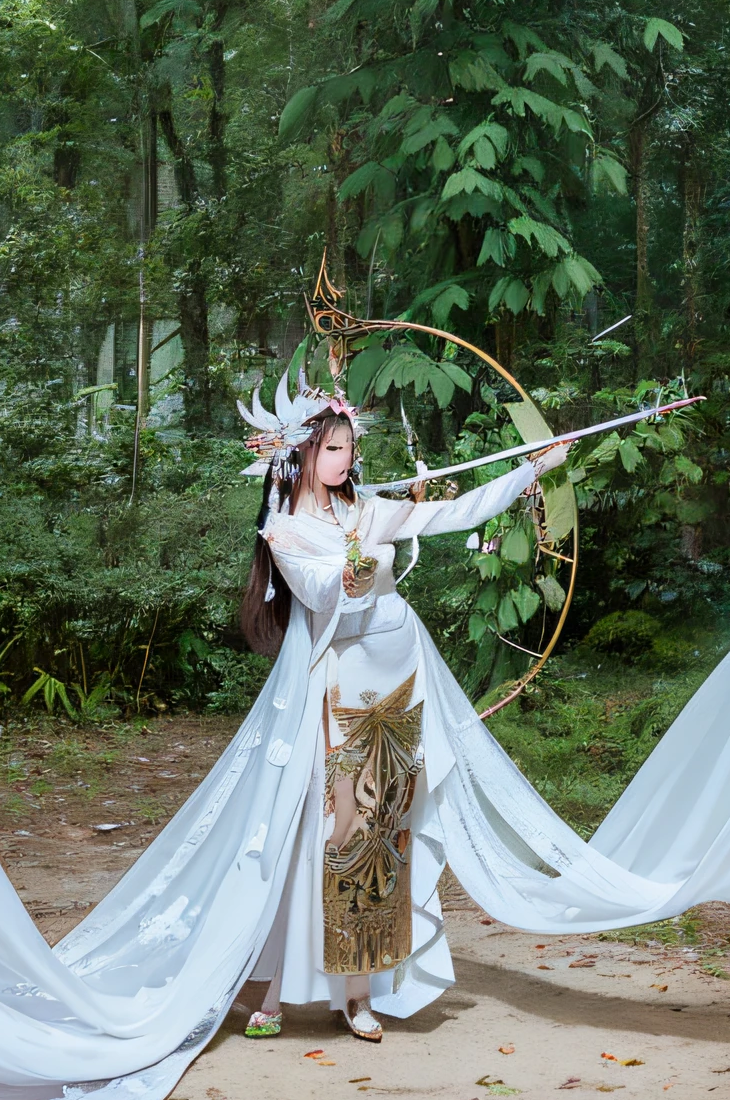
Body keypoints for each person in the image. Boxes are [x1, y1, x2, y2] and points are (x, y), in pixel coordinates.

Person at [230, 377, 570, 1041]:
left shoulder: (367, 510)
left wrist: (527, 472)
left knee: (380, 835)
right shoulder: (285, 531)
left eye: (349, 448)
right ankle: (280, 986)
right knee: (332, 833)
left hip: (398, 685)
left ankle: (357, 995)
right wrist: (349, 576)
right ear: (298, 455)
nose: (345, 460)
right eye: (333, 449)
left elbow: (454, 513)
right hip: (343, 691)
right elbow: (322, 590)